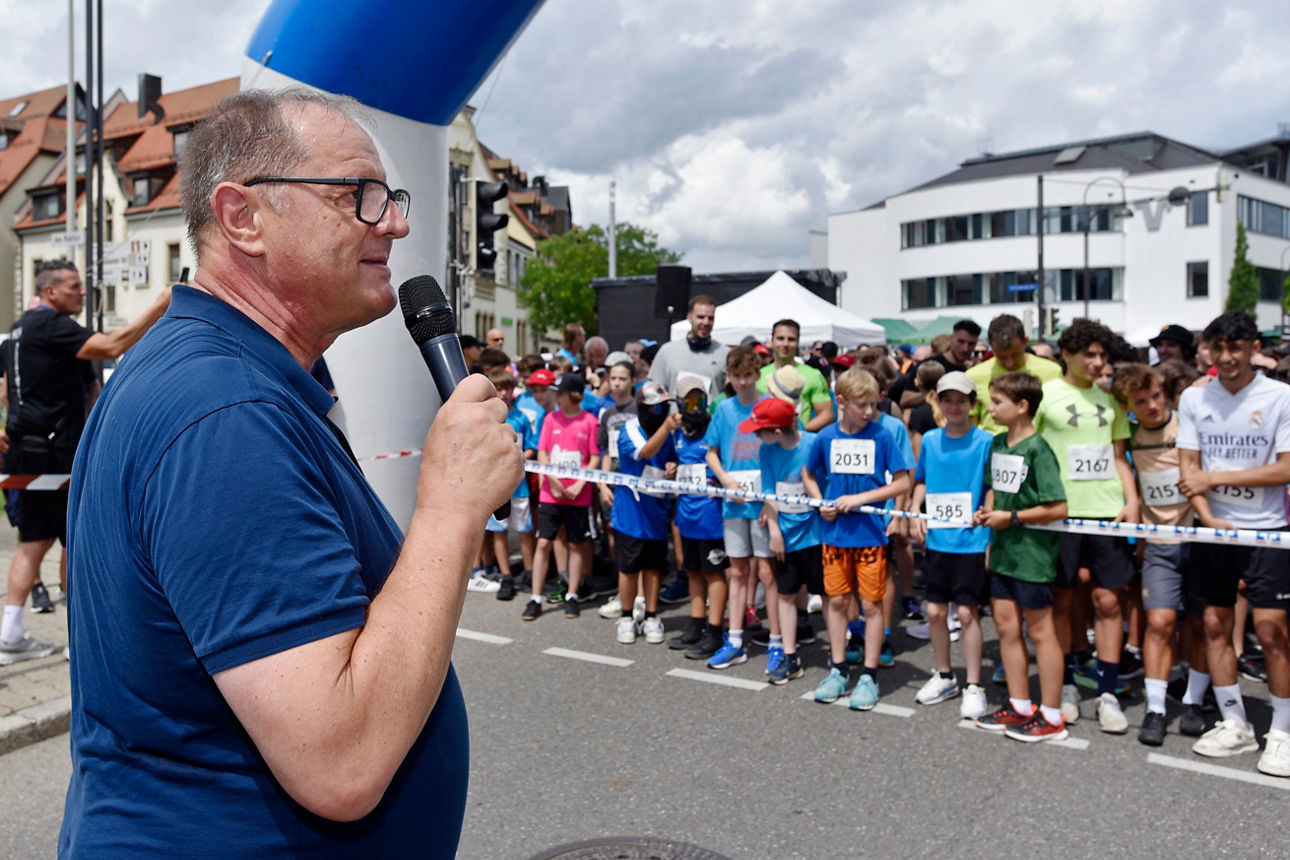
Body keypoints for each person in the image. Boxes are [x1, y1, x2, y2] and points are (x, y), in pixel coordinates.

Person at [60, 90, 522, 855]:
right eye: (359, 198)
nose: (396, 223)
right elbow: (341, 761)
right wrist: (449, 508)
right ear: (243, 217)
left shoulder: (217, 377)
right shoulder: (224, 413)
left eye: (392, 197)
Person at [0, 260, 170, 664]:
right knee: (75, 543)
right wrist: (161, 305)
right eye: (74, 286)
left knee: (32, 544)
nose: (82, 292)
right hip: (59, 453)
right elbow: (113, 346)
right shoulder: (56, 327)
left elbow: (7, 390)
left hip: (26, 449)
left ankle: (10, 632)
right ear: (51, 292)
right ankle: (80, 641)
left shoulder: (18, 332)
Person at [1178, 311, 1290, 775]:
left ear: (1252, 349)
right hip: (1212, 530)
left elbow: (1286, 469)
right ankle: (1235, 723)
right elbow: (1188, 469)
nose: (1226, 357)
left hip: (1269, 528)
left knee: (1271, 631)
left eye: (1236, 348)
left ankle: (1282, 730)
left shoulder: (1280, 396)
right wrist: (1209, 517)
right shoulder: (1193, 397)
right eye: (1217, 348)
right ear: (1207, 349)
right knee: (1214, 627)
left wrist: (1217, 477)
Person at [1035, 318, 1139, 734]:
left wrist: (1132, 501)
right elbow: (1030, 450)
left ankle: (1109, 692)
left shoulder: (1112, 400)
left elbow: (1118, 456)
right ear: (1068, 355)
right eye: (1089, 355)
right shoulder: (1045, 396)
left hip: (1106, 513)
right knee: (1061, 600)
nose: (1097, 363)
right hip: (1058, 514)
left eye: (1102, 355)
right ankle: (1065, 685)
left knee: (1109, 601)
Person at [1109, 363, 1207, 745]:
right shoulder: (1130, 435)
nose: (1151, 405)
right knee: (1161, 623)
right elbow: (1120, 460)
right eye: (1140, 402)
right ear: (1128, 407)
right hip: (1159, 544)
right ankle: (1156, 709)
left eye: (1155, 396)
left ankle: (1195, 702)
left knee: (1200, 624)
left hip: (1200, 540)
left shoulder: (1188, 423)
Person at [802, 367, 911, 711]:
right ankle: (838, 669)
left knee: (871, 605)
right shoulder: (825, 437)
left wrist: (863, 501)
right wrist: (821, 503)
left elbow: (903, 481)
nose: (868, 411)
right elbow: (807, 473)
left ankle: (869, 674)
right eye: (861, 405)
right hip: (834, 534)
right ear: (841, 402)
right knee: (835, 601)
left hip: (871, 535)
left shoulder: (882, 435)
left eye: (872, 403)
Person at [972, 372, 1070, 742]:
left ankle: (1052, 714)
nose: (991, 408)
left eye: (997, 402)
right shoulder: (998, 443)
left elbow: (1057, 506)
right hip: (1002, 553)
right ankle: (1020, 705)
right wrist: (987, 514)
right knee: (1006, 627)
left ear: (1022, 406)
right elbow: (995, 489)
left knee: (1040, 632)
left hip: (1032, 555)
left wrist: (1011, 518)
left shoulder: (1038, 448)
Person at [907, 371, 993, 719]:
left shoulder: (986, 440)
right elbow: (922, 481)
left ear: (973, 404)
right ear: (938, 402)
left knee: (969, 612)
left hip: (971, 539)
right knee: (935, 611)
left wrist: (988, 513)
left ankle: (974, 684)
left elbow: (991, 485)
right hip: (939, 537)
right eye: (947, 399)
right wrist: (914, 510)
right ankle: (945, 675)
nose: (954, 406)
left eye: (961, 400)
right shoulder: (929, 439)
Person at [703, 345, 776, 670]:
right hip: (734, 504)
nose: (744, 382)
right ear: (729, 377)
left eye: (749, 375)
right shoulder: (724, 410)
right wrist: (725, 482)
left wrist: (772, 499)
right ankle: (734, 640)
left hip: (763, 504)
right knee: (737, 571)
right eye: (737, 376)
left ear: (757, 374)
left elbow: (783, 452)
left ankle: (777, 641)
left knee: (767, 573)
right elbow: (711, 452)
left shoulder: (769, 406)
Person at [749, 396, 821, 685]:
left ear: (777, 431)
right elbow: (770, 491)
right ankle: (789, 655)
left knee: (831, 595)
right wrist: (775, 532)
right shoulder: (766, 452)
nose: (756, 437)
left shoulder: (815, 443)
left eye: (760, 431)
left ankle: (841, 652)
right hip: (787, 535)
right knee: (786, 593)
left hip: (817, 533)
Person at [523, 372, 600, 621]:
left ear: (574, 395)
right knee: (544, 542)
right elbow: (544, 452)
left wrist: (579, 484)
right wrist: (554, 482)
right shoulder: (550, 419)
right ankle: (535, 598)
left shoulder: (589, 421)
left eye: (560, 393)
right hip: (551, 494)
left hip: (579, 496)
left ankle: (573, 595)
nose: (555, 396)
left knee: (577, 544)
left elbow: (595, 456)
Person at [666, 373, 729, 660]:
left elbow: (723, 461)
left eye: (699, 400)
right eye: (688, 401)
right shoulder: (678, 433)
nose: (694, 406)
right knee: (693, 570)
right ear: (679, 403)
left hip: (711, 517)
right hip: (687, 515)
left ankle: (715, 631)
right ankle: (696, 624)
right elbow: (677, 463)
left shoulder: (714, 429)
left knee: (713, 572)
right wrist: (672, 469)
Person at [608, 381, 675, 644]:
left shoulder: (666, 433)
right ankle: (626, 616)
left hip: (656, 511)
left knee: (653, 568)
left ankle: (650, 615)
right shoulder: (630, 429)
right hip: (631, 514)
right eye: (656, 408)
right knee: (629, 568)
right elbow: (644, 452)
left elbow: (669, 458)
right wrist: (667, 427)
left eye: (664, 408)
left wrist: (672, 467)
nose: (661, 413)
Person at [488, 369, 539, 602]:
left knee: (525, 530)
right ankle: (506, 576)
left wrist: (519, 455)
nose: (505, 393)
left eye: (508, 388)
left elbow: (531, 447)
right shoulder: (488, 419)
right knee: (499, 532)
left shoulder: (521, 417)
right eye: (500, 388)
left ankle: (529, 573)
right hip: (496, 488)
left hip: (520, 487)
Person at [966, 314, 1063, 434]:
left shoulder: (1052, 371)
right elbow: (971, 424)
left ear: (1026, 342)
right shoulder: (974, 376)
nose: (1009, 363)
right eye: (1001, 357)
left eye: (1015, 355)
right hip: (992, 447)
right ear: (991, 348)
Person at [756, 318, 834, 430]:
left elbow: (826, 414)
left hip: (797, 444)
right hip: (764, 442)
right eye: (780, 338)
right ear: (772, 341)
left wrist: (799, 433)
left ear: (798, 342)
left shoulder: (813, 375)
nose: (785, 344)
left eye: (791, 339)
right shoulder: (758, 376)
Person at [648, 294, 729, 394]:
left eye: (710, 318)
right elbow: (654, 390)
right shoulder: (667, 351)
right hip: (676, 409)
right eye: (700, 317)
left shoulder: (726, 353)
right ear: (689, 317)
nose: (706, 322)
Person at [892, 319, 980, 410]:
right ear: (951, 339)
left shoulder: (974, 371)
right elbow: (905, 400)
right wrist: (934, 395)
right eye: (961, 342)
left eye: (971, 344)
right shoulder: (930, 365)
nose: (965, 348)